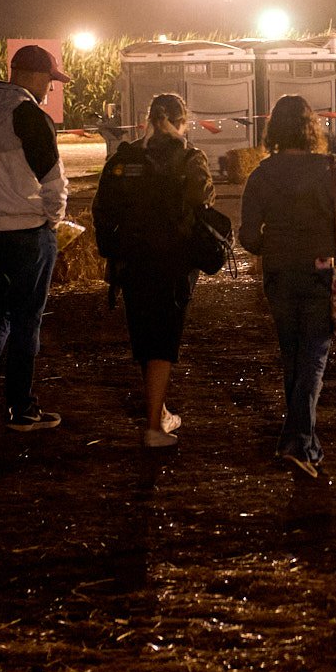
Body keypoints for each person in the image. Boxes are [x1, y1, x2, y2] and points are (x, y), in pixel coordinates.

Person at [238, 94, 336, 478]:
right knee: (314, 356)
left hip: (278, 274)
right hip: (320, 271)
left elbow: (247, 236)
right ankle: (299, 442)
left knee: (292, 354)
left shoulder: (262, 173)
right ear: (312, 128)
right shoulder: (331, 169)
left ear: (273, 128)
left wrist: (268, 245)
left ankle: (298, 439)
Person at [0, 45, 70, 431]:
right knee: (27, 320)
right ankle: (22, 408)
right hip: (28, 231)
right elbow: (54, 183)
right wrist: (52, 222)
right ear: (37, 78)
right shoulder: (30, 116)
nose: (50, 90)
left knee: (0, 309)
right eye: (50, 82)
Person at [93, 91, 214, 448]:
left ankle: (157, 411)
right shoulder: (189, 158)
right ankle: (153, 428)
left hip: (132, 261)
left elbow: (102, 208)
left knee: (144, 337)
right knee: (164, 341)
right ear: (182, 122)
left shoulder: (125, 157)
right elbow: (203, 199)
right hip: (173, 262)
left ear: (147, 120)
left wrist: (112, 252)